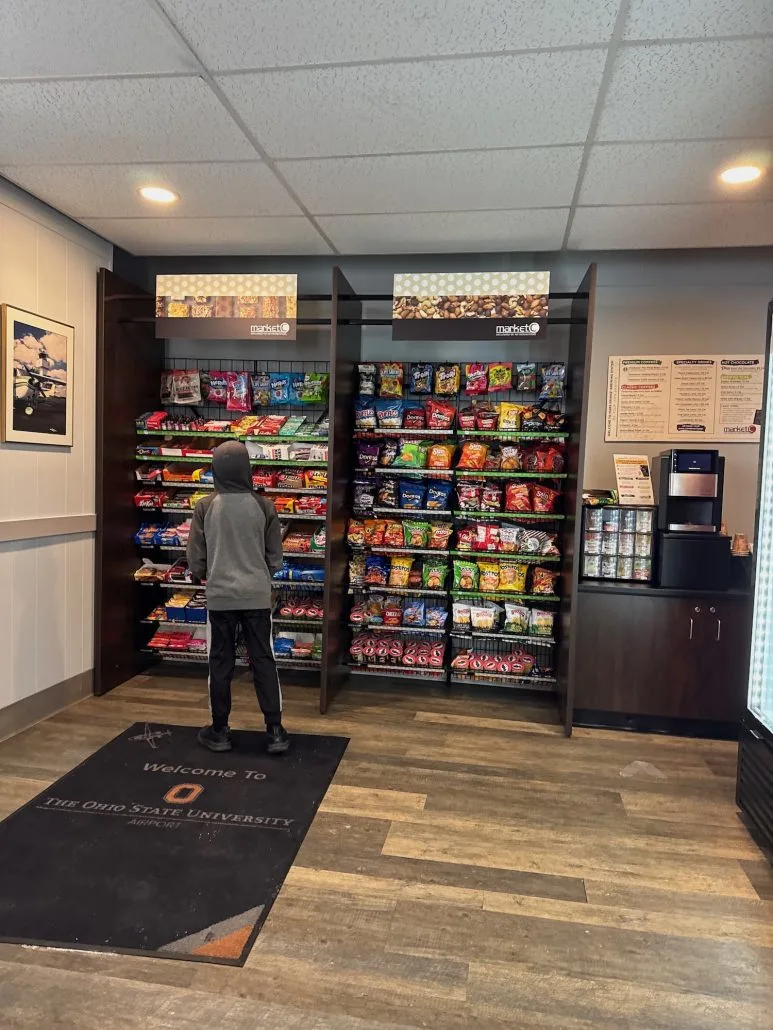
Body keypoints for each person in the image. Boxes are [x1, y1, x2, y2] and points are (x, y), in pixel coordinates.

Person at [187, 440, 289, 754]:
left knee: (220, 661)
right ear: (247, 468)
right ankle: (274, 730)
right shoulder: (264, 506)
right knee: (263, 659)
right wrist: (259, 576)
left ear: (216, 469)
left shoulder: (205, 506)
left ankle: (220, 730)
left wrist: (205, 573)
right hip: (257, 596)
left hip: (220, 598)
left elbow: (195, 559)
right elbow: (275, 558)